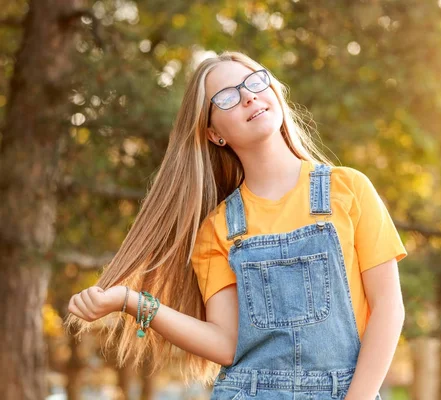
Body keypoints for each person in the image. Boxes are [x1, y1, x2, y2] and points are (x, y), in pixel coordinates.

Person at [65, 51, 407, 400]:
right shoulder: (218, 228)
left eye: (255, 81)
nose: (248, 95)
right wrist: (133, 301)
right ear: (214, 134)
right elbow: (227, 345)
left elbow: (388, 307)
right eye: (227, 97)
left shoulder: (348, 189)